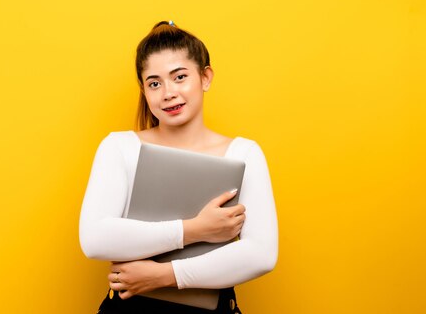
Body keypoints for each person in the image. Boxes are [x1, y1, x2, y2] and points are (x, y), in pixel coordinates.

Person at [79, 20, 279, 314]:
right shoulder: (120, 147)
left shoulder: (244, 154)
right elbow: (95, 239)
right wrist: (194, 230)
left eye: (180, 77)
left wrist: (164, 275)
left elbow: (261, 254)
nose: (167, 93)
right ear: (144, 90)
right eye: (155, 83)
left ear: (205, 77)